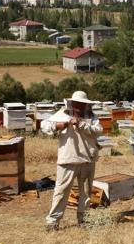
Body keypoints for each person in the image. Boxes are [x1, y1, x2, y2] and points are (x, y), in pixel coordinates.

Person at [41, 91, 102, 231]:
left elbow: (98, 130)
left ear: (86, 104)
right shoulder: (63, 114)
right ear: (72, 103)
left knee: (86, 193)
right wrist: (58, 126)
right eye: (77, 103)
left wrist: (81, 124)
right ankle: (52, 222)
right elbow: (44, 125)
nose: (79, 106)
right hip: (67, 160)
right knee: (61, 192)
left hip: (87, 159)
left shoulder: (91, 117)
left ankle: (83, 220)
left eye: (82, 103)